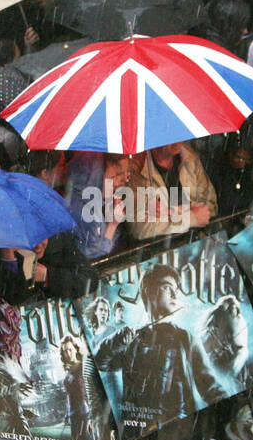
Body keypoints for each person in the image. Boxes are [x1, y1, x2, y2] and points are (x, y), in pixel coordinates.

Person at [92, 264, 222, 421]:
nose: (175, 294)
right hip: (141, 430)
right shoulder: (132, 341)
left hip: (179, 428)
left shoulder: (185, 339)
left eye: (176, 289)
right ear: (149, 290)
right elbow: (100, 363)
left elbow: (212, 390)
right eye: (168, 287)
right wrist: (116, 339)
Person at [126, 141, 217, 240]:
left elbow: (210, 208)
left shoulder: (189, 156)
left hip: (196, 241)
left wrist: (169, 212)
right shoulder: (138, 168)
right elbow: (141, 229)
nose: (179, 141)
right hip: (158, 249)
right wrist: (190, 217)